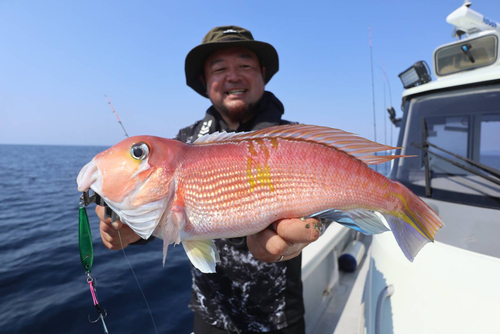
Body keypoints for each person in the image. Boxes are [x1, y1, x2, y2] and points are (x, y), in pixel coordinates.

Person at [97, 25, 324, 334]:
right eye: (219, 68)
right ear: (205, 82)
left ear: (263, 73)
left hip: (280, 316)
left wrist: (309, 226)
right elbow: (166, 210)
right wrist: (131, 230)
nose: (233, 76)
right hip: (209, 315)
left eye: (244, 65)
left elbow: (330, 201)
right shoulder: (182, 143)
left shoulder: (294, 141)